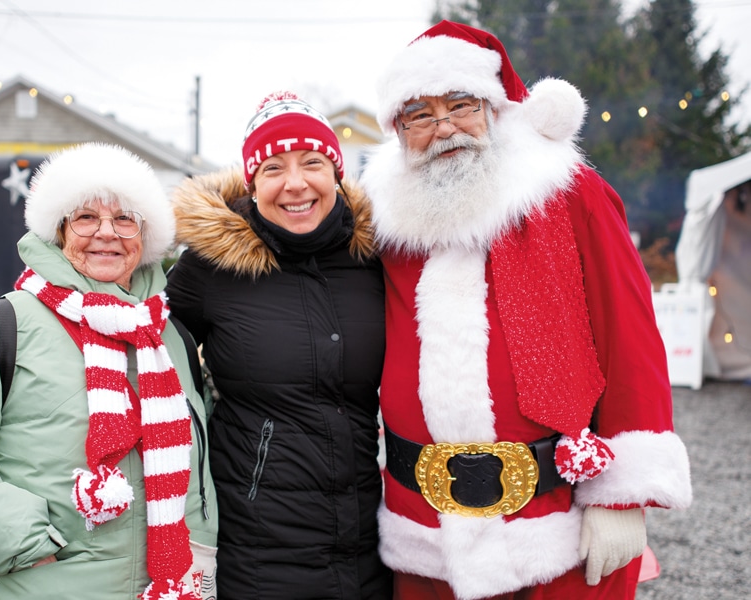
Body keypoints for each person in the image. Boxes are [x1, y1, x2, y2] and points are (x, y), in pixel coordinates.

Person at [360, 21, 693, 600]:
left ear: (495, 107)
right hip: (425, 533)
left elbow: (629, 335)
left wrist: (621, 496)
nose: (443, 128)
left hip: (554, 522)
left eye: (460, 105)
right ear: (398, 129)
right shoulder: (385, 223)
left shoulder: (569, 194)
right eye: (419, 114)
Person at [0, 143, 217, 600]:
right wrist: (25, 541)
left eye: (124, 219)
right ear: (57, 231)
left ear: (145, 234)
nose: (106, 233)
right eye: (84, 218)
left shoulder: (168, 336)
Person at [165, 91, 392, 599]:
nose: (295, 183)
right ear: (253, 183)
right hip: (259, 544)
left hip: (372, 537)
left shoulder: (375, 257)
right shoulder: (210, 267)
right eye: (273, 168)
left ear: (335, 172)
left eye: (312, 162)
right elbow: (154, 360)